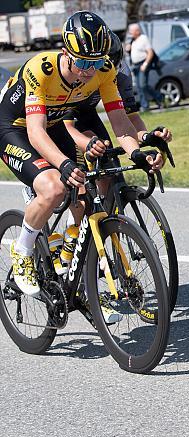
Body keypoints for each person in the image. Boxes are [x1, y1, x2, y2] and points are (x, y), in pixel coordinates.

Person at [0, 11, 163, 312]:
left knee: (87, 198)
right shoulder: (42, 69)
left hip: (53, 123)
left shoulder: (104, 70)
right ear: (65, 53)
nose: (90, 70)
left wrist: (137, 152)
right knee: (53, 188)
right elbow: (35, 133)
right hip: (16, 127)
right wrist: (62, 165)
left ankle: (72, 261)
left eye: (96, 61)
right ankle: (21, 250)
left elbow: (120, 124)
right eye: (83, 62)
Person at [64, 30, 173, 172]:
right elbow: (67, 127)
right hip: (63, 120)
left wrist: (147, 136)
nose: (103, 75)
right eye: (97, 67)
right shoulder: (77, 75)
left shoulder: (121, 74)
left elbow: (130, 119)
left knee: (110, 165)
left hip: (88, 114)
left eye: (110, 68)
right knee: (80, 174)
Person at [126, 23, 163, 112]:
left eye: (131, 31)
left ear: (137, 31)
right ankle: (145, 106)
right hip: (135, 66)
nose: (130, 33)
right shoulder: (133, 40)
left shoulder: (143, 39)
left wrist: (145, 64)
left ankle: (158, 98)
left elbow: (150, 52)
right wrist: (128, 49)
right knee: (139, 87)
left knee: (143, 85)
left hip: (142, 65)